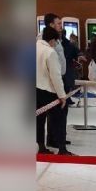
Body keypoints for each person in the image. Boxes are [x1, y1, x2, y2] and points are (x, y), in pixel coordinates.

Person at [36, 26, 72, 155]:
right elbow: (55, 76)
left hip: (35, 90)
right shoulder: (50, 52)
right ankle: (62, 148)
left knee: (39, 121)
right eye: (56, 41)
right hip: (48, 92)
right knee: (59, 120)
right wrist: (62, 96)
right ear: (52, 40)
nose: (56, 44)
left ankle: (40, 147)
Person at [41, 13, 69, 149]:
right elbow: (52, 69)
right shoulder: (45, 43)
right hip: (51, 82)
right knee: (56, 113)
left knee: (58, 113)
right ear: (51, 24)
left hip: (58, 78)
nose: (61, 26)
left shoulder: (58, 39)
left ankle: (54, 139)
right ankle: (57, 142)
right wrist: (61, 94)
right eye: (58, 23)